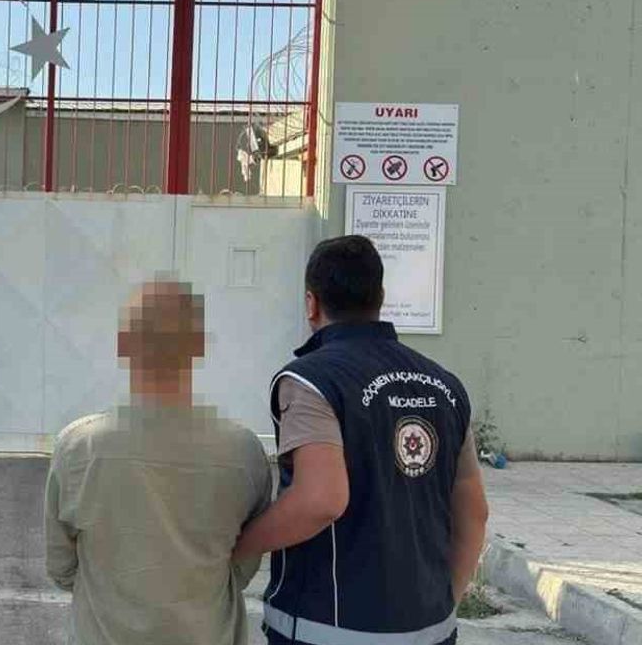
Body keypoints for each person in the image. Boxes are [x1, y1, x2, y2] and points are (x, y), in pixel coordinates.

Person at [233, 235, 490, 645]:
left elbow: (320, 501)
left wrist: (236, 546)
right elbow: (474, 512)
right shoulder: (445, 386)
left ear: (311, 303)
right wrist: (443, 606)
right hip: (432, 631)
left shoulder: (311, 380)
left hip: (329, 629)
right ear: (380, 298)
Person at [45, 278, 274, 645]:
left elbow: (61, 566)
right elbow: (244, 565)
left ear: (124, 345)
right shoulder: (244, 453)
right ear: (198, 346)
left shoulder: (78, 447)